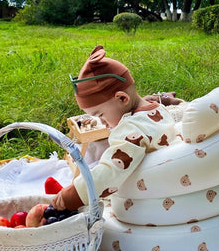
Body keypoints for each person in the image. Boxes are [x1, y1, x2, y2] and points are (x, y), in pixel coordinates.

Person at [52, 45, 180, 210]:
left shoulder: (132, 130)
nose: (102, 123)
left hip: (152, 196)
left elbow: (110, 172)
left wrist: (72, 195)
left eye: (100, 115)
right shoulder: (157, 108)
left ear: (122, 98)